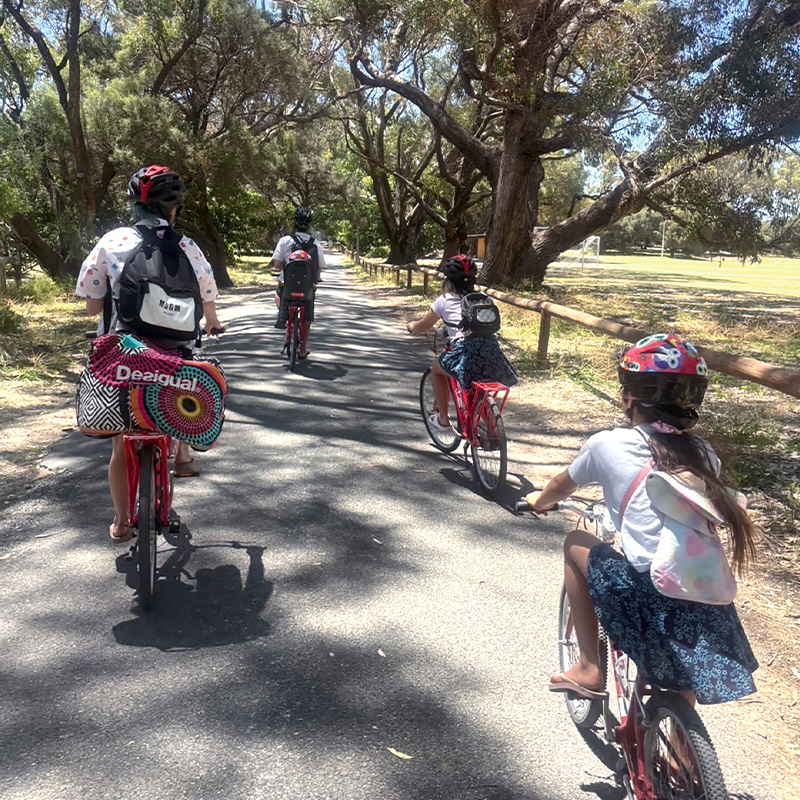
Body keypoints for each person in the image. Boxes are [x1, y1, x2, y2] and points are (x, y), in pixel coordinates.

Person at [525, 335, 758, 706]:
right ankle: (681, 755)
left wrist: (539, 500)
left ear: (629, 396)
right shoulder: (704, 453)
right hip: (702, 597)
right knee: (680, 690)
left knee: (575, 543)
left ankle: (588, 667)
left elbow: (560, 487)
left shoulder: (607, 445)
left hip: (646, 592)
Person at [75, 165, 226, 542]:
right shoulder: (189, 248)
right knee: (181, 398)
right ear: (173, 208)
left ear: (132, 204)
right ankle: (181, 455)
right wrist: (211, 322)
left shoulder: (111, 242)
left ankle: (122, 521)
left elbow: (93, 307)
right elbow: (208, 305)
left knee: (119, 442)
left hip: (121, 358)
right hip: (172, 360)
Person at [406, 255, 517, 433]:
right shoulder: (484, 298)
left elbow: (423, 326)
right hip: (491, 351)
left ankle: (443, 419)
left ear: (449, 281)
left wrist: (412, 327)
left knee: (436, 369)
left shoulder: (444, 301)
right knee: (478, 384)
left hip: (463, 352)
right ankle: (492, 432)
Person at [272, 206, 325, 359]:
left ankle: (284, 315)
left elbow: (277, 264)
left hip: (287, 286)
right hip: (307, 289)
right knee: (307, 317)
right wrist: (316, 280)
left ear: (294, 222)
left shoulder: (285, 240)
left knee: (278, 293)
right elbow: (319, 267)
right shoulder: (316, 244)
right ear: (309, 225)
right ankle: (302, 350)